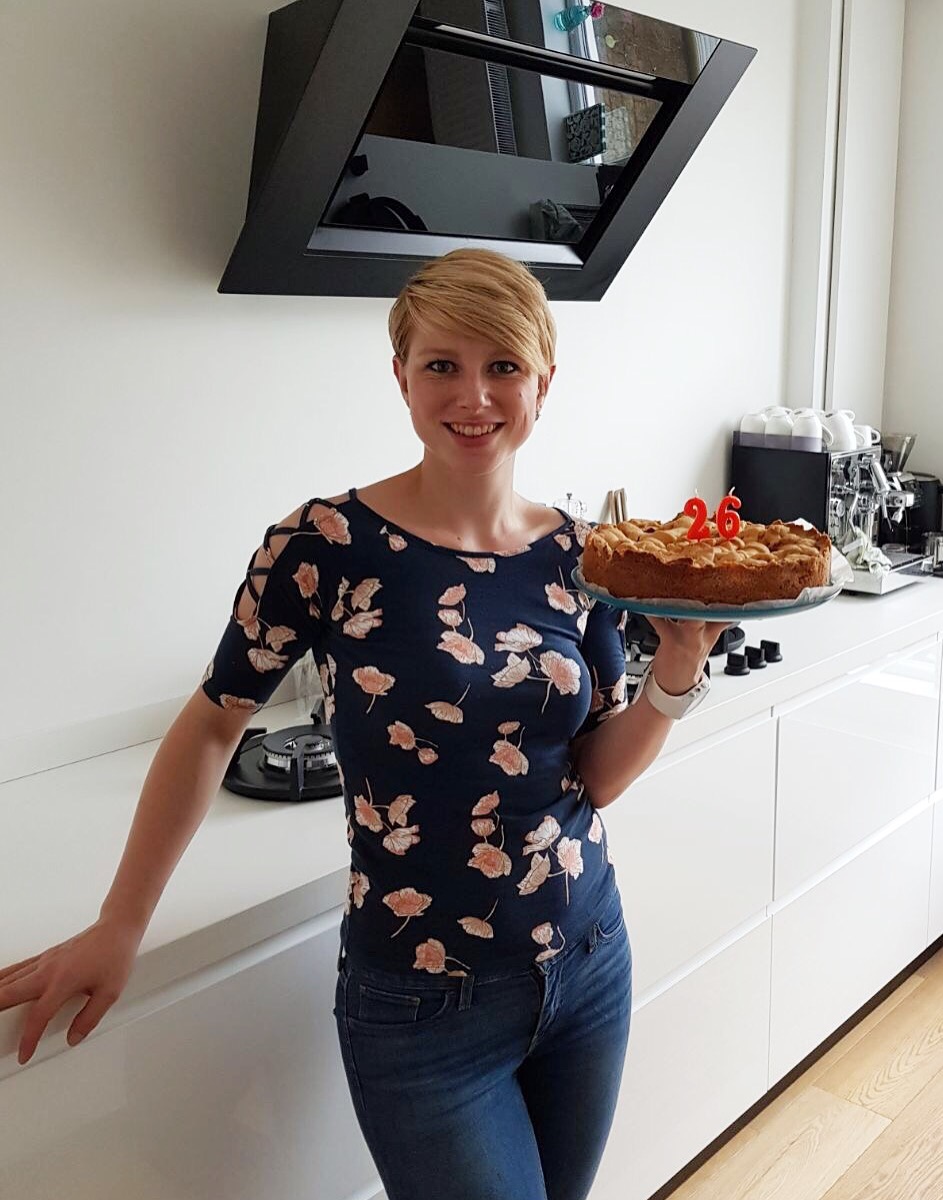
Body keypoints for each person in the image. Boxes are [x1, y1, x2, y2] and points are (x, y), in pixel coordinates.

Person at [0, 248, 730, 1200]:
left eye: (503, 366)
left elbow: (593, 776)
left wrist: (676, 672)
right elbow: (214, 723)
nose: (474, 395)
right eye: (442, 365)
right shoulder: (325, 545)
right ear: (401, 376)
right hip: (421, 1005)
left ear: (544, 382)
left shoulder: (583, 555)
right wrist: (121, 921)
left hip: (589, 962)